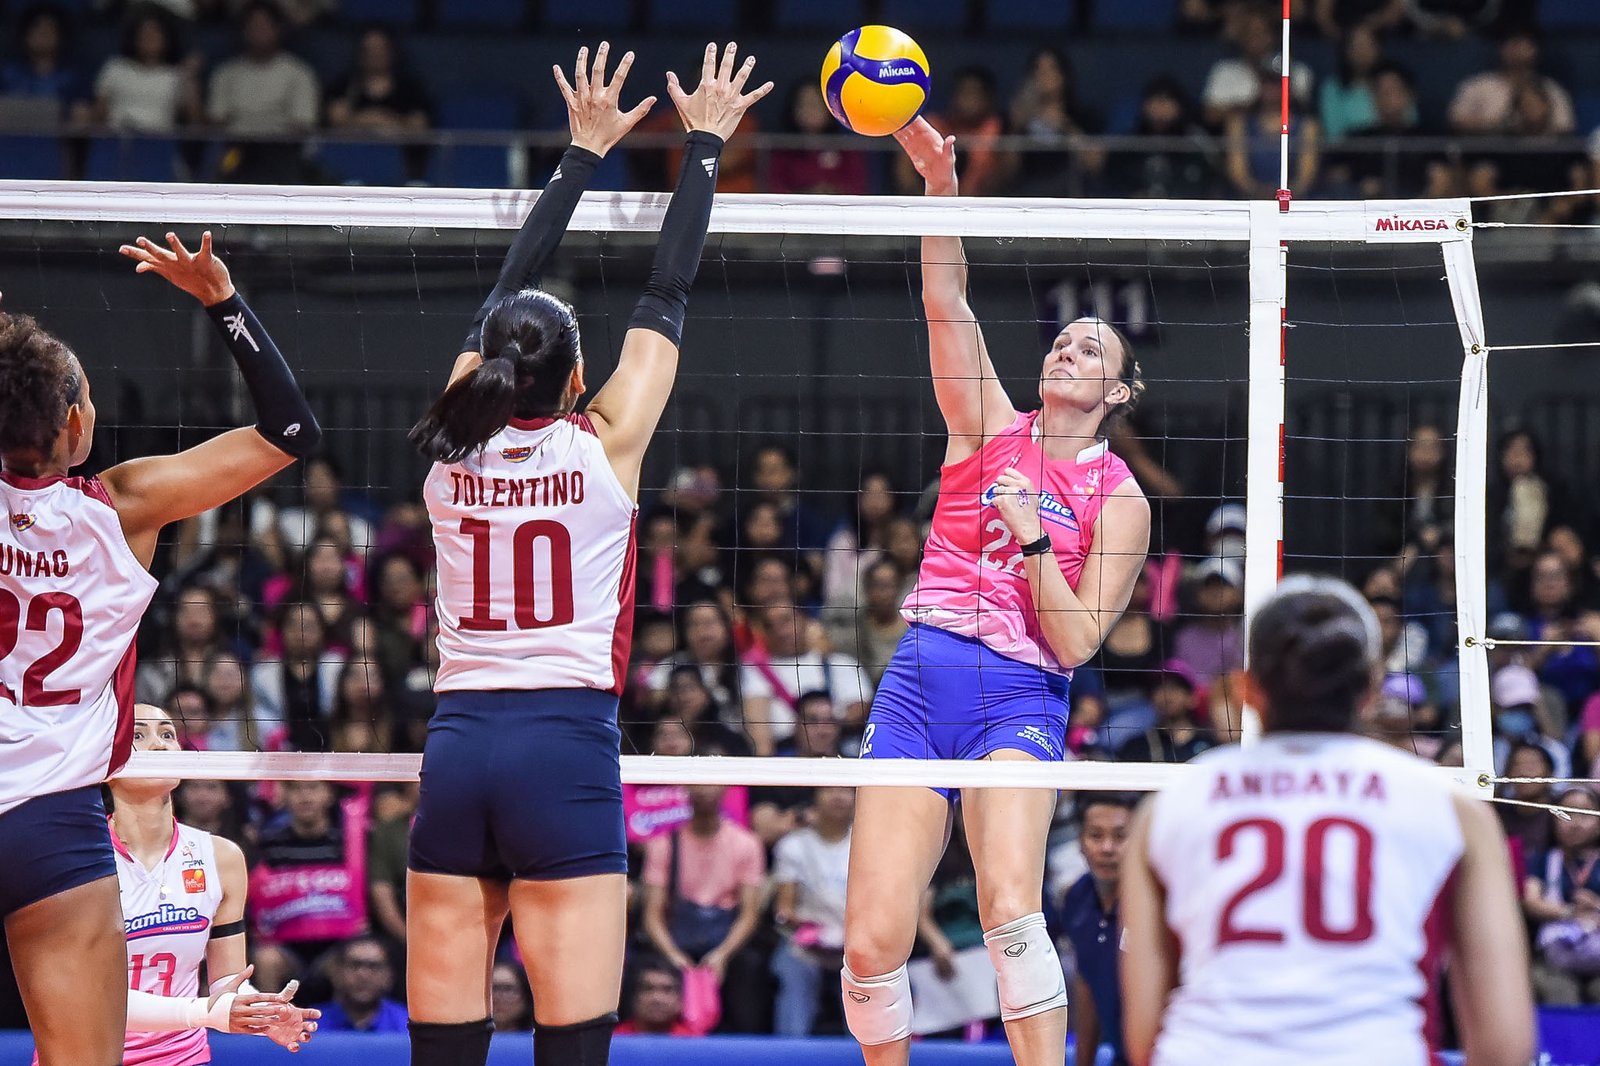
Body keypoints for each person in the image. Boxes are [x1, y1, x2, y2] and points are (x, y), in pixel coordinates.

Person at [401, 41, 770, 1066]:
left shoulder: (445, 445)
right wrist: (700, 148)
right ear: (572, 383)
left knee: (443, 1048)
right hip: (563, 748)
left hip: (459, 746)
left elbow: (495, 308)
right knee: (573, 1049)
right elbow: (669, 291)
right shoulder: (606, 444)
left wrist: (574, 158)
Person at [842, 115, 1151, 1066]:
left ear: (1119, 394)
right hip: (919, 680)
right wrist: (941, 187)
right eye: (1061, 342)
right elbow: (946, 299)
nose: (1066, 352)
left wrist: (1030, 542)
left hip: (1017, 697)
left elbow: (1076, 644)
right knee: (868, 950)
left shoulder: (1120, 499)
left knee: (1011, 916)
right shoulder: (985, 425)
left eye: (1090, 351)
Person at [0, 215, 319, 1065]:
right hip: (52, 821)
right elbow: (291, 433)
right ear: (72, 425)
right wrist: (222, 300)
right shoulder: (125, 504)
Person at [1120, 576, 1536, 1066]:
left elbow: (1145, 1035)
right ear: (1371, 687)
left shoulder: (1167, 807)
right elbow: (1505, 1045)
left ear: (1246, 690)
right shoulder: (1452, 807)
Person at [104, 705, 320, 1059]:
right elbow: (89, 993)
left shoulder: (221, 857)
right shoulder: (81, 859)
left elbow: (226, 980)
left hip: (183, 1055)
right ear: (106, 764)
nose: (159, 745)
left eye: (168, 735)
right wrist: (202, 1012)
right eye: (139, 735)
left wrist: (260, 1011)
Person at [771, 786, 854, 1037]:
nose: (838, 796)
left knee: (873, 972)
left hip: (855, 942)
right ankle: (791, 1051)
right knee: (791, 967)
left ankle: (868, 1055)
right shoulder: (793, 845)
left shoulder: (868, 844)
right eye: (830, 790)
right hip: (808, 942)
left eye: (846, 791)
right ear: (816, 798)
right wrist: (813, 932)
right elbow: (784, 909)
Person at [1059, 793, 1134, 1066]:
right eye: (1095, 835)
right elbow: (1086, 981)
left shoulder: (1155, 906)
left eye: (1120, 836)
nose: (1107, 848)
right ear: (1080, 841)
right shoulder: (1076, 898)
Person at [314, 936, 408, 1032]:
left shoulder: (406, 1024)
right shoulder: (311, 1024)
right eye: (355, 965)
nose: (363, 975)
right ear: (337, 972)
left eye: (373, 966)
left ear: (389, 975)